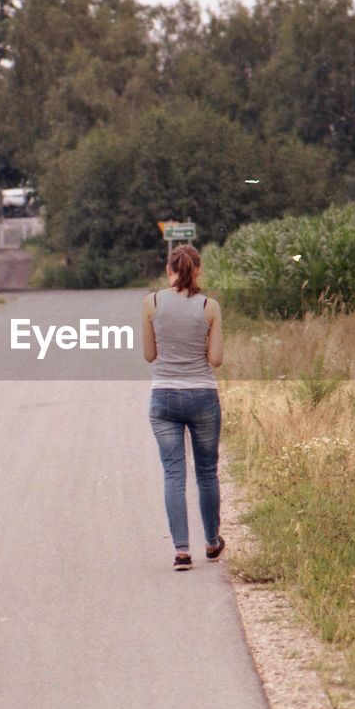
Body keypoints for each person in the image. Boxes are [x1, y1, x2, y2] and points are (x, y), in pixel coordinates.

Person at [142, 244, 225, 571]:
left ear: (168, 269)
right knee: (206, 472)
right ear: (199, 270)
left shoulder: (152, 303)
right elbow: (215, 360)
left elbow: (149, 355)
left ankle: (181, 551)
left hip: (163, 397)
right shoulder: (209, 306)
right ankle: (212, 541)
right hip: (202, 396)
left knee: (173, 473)